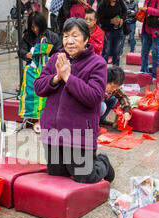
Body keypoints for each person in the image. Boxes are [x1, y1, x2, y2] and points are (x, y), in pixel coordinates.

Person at [34, 17, 115, 184]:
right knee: (57, 175)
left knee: (84, 176)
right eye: (65, 36)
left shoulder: (97, 63)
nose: (69, 41)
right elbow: (39, 87)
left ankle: (103, 163)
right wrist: (56, 77)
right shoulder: (57, 58)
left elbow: (93, 97)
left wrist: (68, 77)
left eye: (75, 36)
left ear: (86, 39)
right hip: (53, 131)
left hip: (79, 133)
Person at [138, 0, 159, 79]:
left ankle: (155, 75)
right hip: (147, 29)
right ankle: (144, 72)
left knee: (156, 53)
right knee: (144, 52)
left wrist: (146, 9)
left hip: (158, 31)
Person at [98, 0, 127, 66]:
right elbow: (100, 20)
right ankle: (103, 70)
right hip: (107, 31)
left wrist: (122, 19)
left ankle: (116, 71)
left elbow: (125, 11)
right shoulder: (102, 5)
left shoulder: (119, 2)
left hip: (118, 30)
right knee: (106, 52)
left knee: (117, 52)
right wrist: (111, 21)